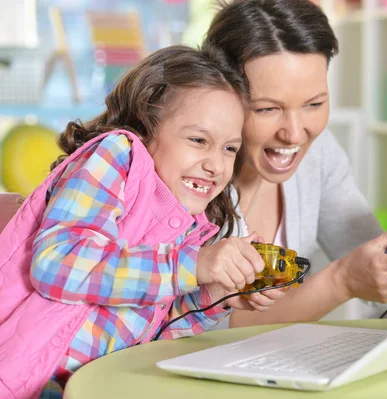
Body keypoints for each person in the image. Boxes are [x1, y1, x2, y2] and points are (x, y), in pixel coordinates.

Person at [0, 44, 278, 399]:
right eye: (198, 140)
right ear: (147, 125)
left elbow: (158, 337)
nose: (217, 165)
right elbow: (56, 263)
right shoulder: (116, 156)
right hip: (22, 382)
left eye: (229, 148)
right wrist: (194, 266)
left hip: (95, 388)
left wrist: (214, 294)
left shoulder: (191, 224)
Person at [202, 0, 387, 327]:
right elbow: (210, 327)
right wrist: (343, 281)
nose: (295, 133)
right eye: (267, 109)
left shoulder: (319, 154)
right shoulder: (188, 170)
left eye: (314, 104)